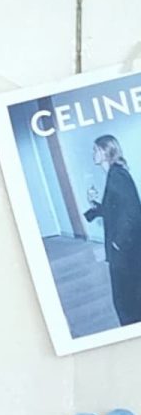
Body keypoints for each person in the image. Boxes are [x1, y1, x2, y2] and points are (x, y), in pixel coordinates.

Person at [84, 132, 141, 328]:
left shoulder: (117, 176)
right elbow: (115, 210)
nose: (93, 153)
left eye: (95, 149)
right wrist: (94, 205)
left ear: (105, 151)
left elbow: (133, 212)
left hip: (125, 250)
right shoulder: (115, 174)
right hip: (126, 249)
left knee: (124, 298)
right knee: (128, 295)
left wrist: (118, 242)